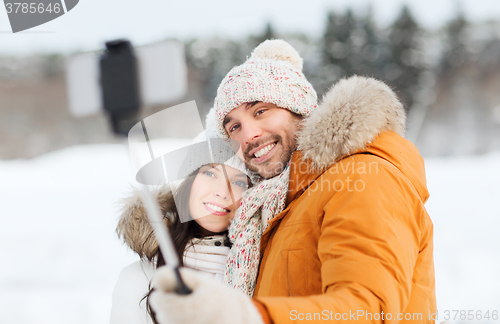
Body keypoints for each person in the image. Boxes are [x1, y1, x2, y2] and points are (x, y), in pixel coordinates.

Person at [149, 39, 437, 324]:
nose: (248, 135)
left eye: (261, 111)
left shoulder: (361, 177)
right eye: (234, 126)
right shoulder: (274, 203)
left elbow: (368, 310)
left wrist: (246, 315)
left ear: (300, 109)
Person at [110, 112, 254, 324]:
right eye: (211, 174)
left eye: (239, 183)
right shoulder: (140, 278)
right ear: (187, 183)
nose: (223, 192)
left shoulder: (261, 268)